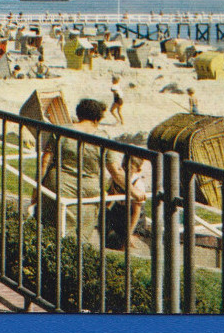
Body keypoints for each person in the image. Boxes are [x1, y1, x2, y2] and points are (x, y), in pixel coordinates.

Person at [30, 99, 145, 248]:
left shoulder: (61, 131)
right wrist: (134, 191)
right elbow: (116, 171)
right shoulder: (103, 137)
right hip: (89, 192)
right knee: (81, 237)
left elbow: (44, 163)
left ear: (78, 115)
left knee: (53, 233)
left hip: (59, 184)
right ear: (97, 118)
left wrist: (35, 192)